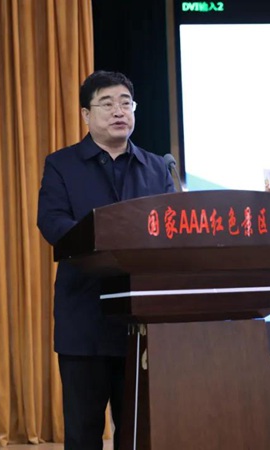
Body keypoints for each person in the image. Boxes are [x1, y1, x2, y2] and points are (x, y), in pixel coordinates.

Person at [37, 70, 175, 450]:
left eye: (126, 103)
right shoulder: (62, 165)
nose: (119, 111)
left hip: (142, 324)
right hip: (85, 319)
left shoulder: (157, 168)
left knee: (139, 432)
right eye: (107, 103)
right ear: (86, 114)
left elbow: (172, 228)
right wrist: (107, 243)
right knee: (83, 433)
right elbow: (52, 222)